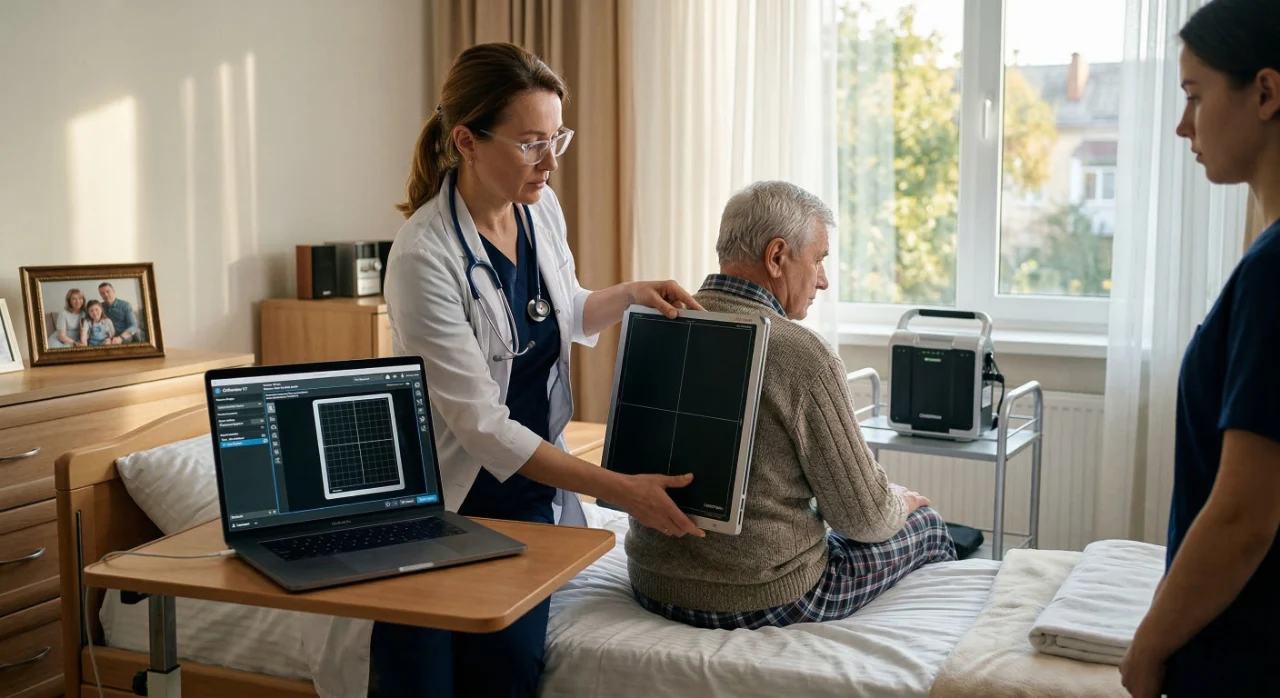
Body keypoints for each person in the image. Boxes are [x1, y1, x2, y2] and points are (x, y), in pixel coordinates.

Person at [378, 42, 708, 697]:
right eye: (531, 142)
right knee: (423, 680)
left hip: (527, 502)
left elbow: (559, 312)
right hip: (449, 504)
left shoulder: (539, 209)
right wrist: (616, 487)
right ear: (468, 141)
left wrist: (629, 294)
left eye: (557, 136)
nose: (551, 160)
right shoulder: (424, 257)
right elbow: (482, 427)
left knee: (506, 672)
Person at [628, 181, 955, 630]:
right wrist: (898, 501)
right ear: (777, 256)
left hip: (653, 583)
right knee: (930, 525)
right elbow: (865, 517)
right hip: (759, 597)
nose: (823, 278)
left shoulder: (655, 322)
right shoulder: (800, 353)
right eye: (818, 259)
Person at [1120, 1, 1280, 696]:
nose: (1184, 124)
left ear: (1267, 92)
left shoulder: (1275, 271)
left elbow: (1246, 513)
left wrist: (1149, 645)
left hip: (1245, 655)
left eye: (1194, 96)